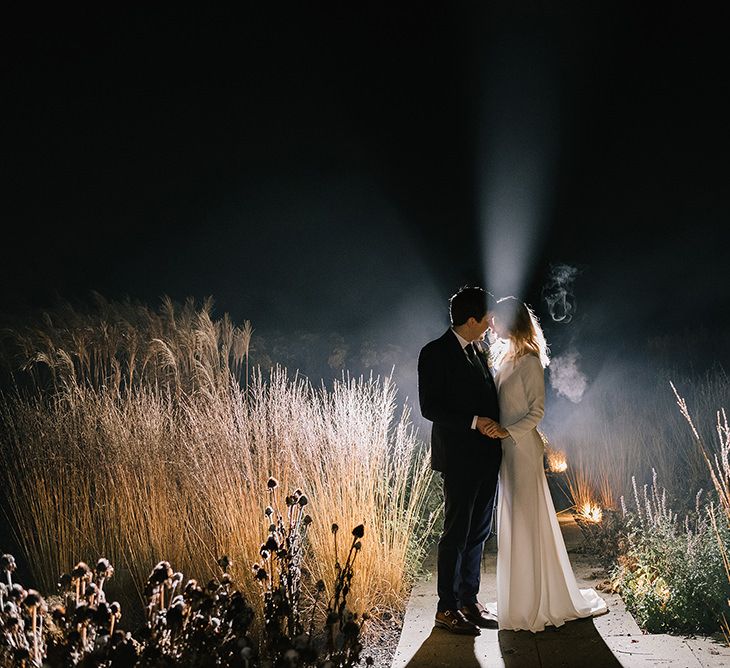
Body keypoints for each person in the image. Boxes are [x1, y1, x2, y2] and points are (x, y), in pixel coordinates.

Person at [482, 296, 607, 632]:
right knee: (514, 519)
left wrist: (507, 430)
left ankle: (535, 601)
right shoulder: (505, 358)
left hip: (522, 448)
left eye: (499, 318)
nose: (493, 323)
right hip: (506, 450)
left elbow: (537, 412)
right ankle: (518, 599)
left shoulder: (531, 361)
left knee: (526, 520)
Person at [418, 286, 502, 635]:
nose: (490, 323)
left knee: (479, 533)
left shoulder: (479, 350)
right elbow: (430, 408)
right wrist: (474, 422)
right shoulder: (435, 353)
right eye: (486, 318)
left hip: (487, 459)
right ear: (471, 320)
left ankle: (469, 599)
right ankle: (446, 608)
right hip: (459, 459)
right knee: (455, 534)